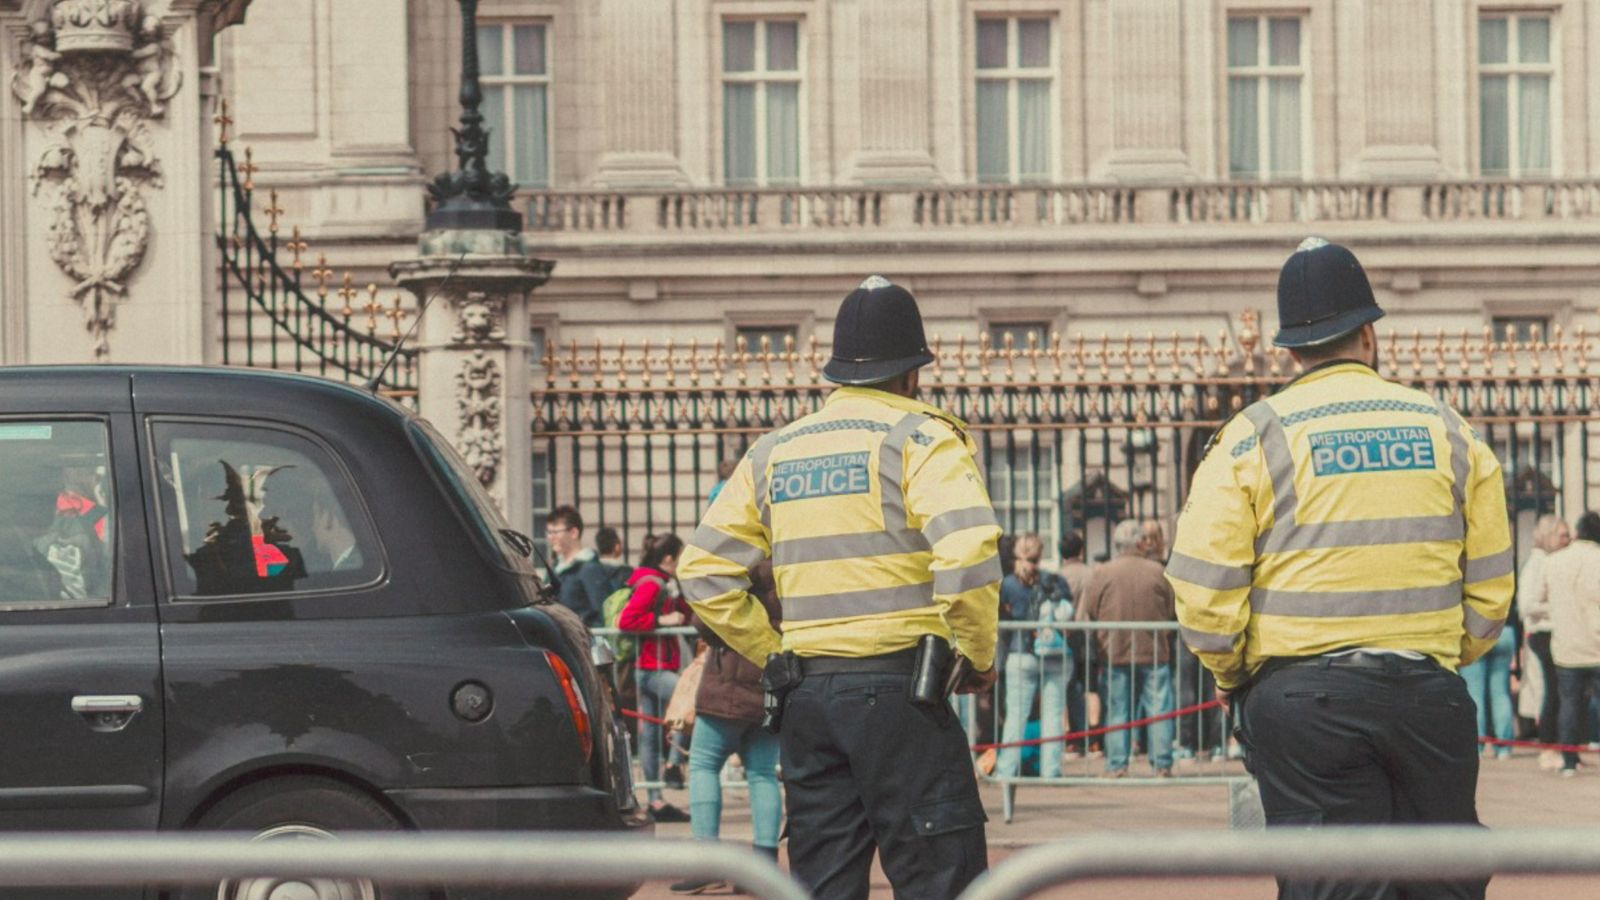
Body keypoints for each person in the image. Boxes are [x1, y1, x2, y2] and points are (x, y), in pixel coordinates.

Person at [1167, 238, 1514, 900]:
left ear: (1290, 349)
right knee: (1444, 884)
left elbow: (1202, 589)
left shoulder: (1252, 435)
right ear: (1369, 335)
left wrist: (1233, 674)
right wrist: (1442, 651)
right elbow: (1492, 582)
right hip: (1427, 694)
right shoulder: (1449, 429)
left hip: (1303, 703)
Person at [677, 275, 1002, 900]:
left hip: (808, 696)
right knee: (943, 879)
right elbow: (968, 552)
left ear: (838, 372)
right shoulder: (922, 438)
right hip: (904, 692)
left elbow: (702, 571)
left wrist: (772, 651)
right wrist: (976, 656)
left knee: (822, 883)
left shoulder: (774, 450)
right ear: (912, 373)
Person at [669, 561, 784, 895]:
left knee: (703, 765)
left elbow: (705, 620)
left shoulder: (738, 564)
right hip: (771, 679)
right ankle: (764, 864)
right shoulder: (784, 562)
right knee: (762, 773)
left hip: (729, 679)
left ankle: (707, 863)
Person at [1076, 518, 1176, 777]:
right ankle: (1162, 764)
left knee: (1117, 710)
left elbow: (1090, 610)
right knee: (1159, 710)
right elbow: (1171, 608)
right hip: (1153, 650)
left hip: (1114, 650)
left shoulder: (1103, 572)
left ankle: (1117, 765)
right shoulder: (1159, 571)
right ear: (1141, 542)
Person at [618, 532, 691, 822]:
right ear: (669, 558)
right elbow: (627, 620)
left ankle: (655, 800)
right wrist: (662, 620)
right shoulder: (652, 584)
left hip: (651, 666)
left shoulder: (663, 583)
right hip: (652, 667)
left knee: (649, 735)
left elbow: (686, 613)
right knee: (688, 701)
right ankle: (673, 765)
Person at [996, 533, 1073, 780]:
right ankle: (1051, 770)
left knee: (1015, 716)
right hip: (1054, 652)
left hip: (1020, 652)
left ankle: (1006, 770)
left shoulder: (1008, 585)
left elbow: (1001, 620)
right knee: (1053, 715)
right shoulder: (1054, 581)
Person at [1543, 511, 1600, 776]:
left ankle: (1569, 760)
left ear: (1577, 532)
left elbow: (1539, 599)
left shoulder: (1554, 561)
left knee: (1569, 704)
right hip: (1597, 644)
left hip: (1567, 645)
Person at [1519, 513, 1571, 770]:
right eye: (1562, 535)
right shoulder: (1538, 563)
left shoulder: (1549, 561)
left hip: (1552, 632)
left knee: (1558, 691)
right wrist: (1558, 606)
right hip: (1543, 632)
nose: (1567, 540)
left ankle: (1559, 745)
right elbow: (1527, 605)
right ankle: (1549, 746)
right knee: (1551, 690)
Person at [545, 505, 608, 627]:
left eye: (555, 532)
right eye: (549, 532)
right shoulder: (554, 569)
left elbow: (602, 615)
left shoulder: (590, 569)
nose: (550, 537)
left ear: (574, 533)